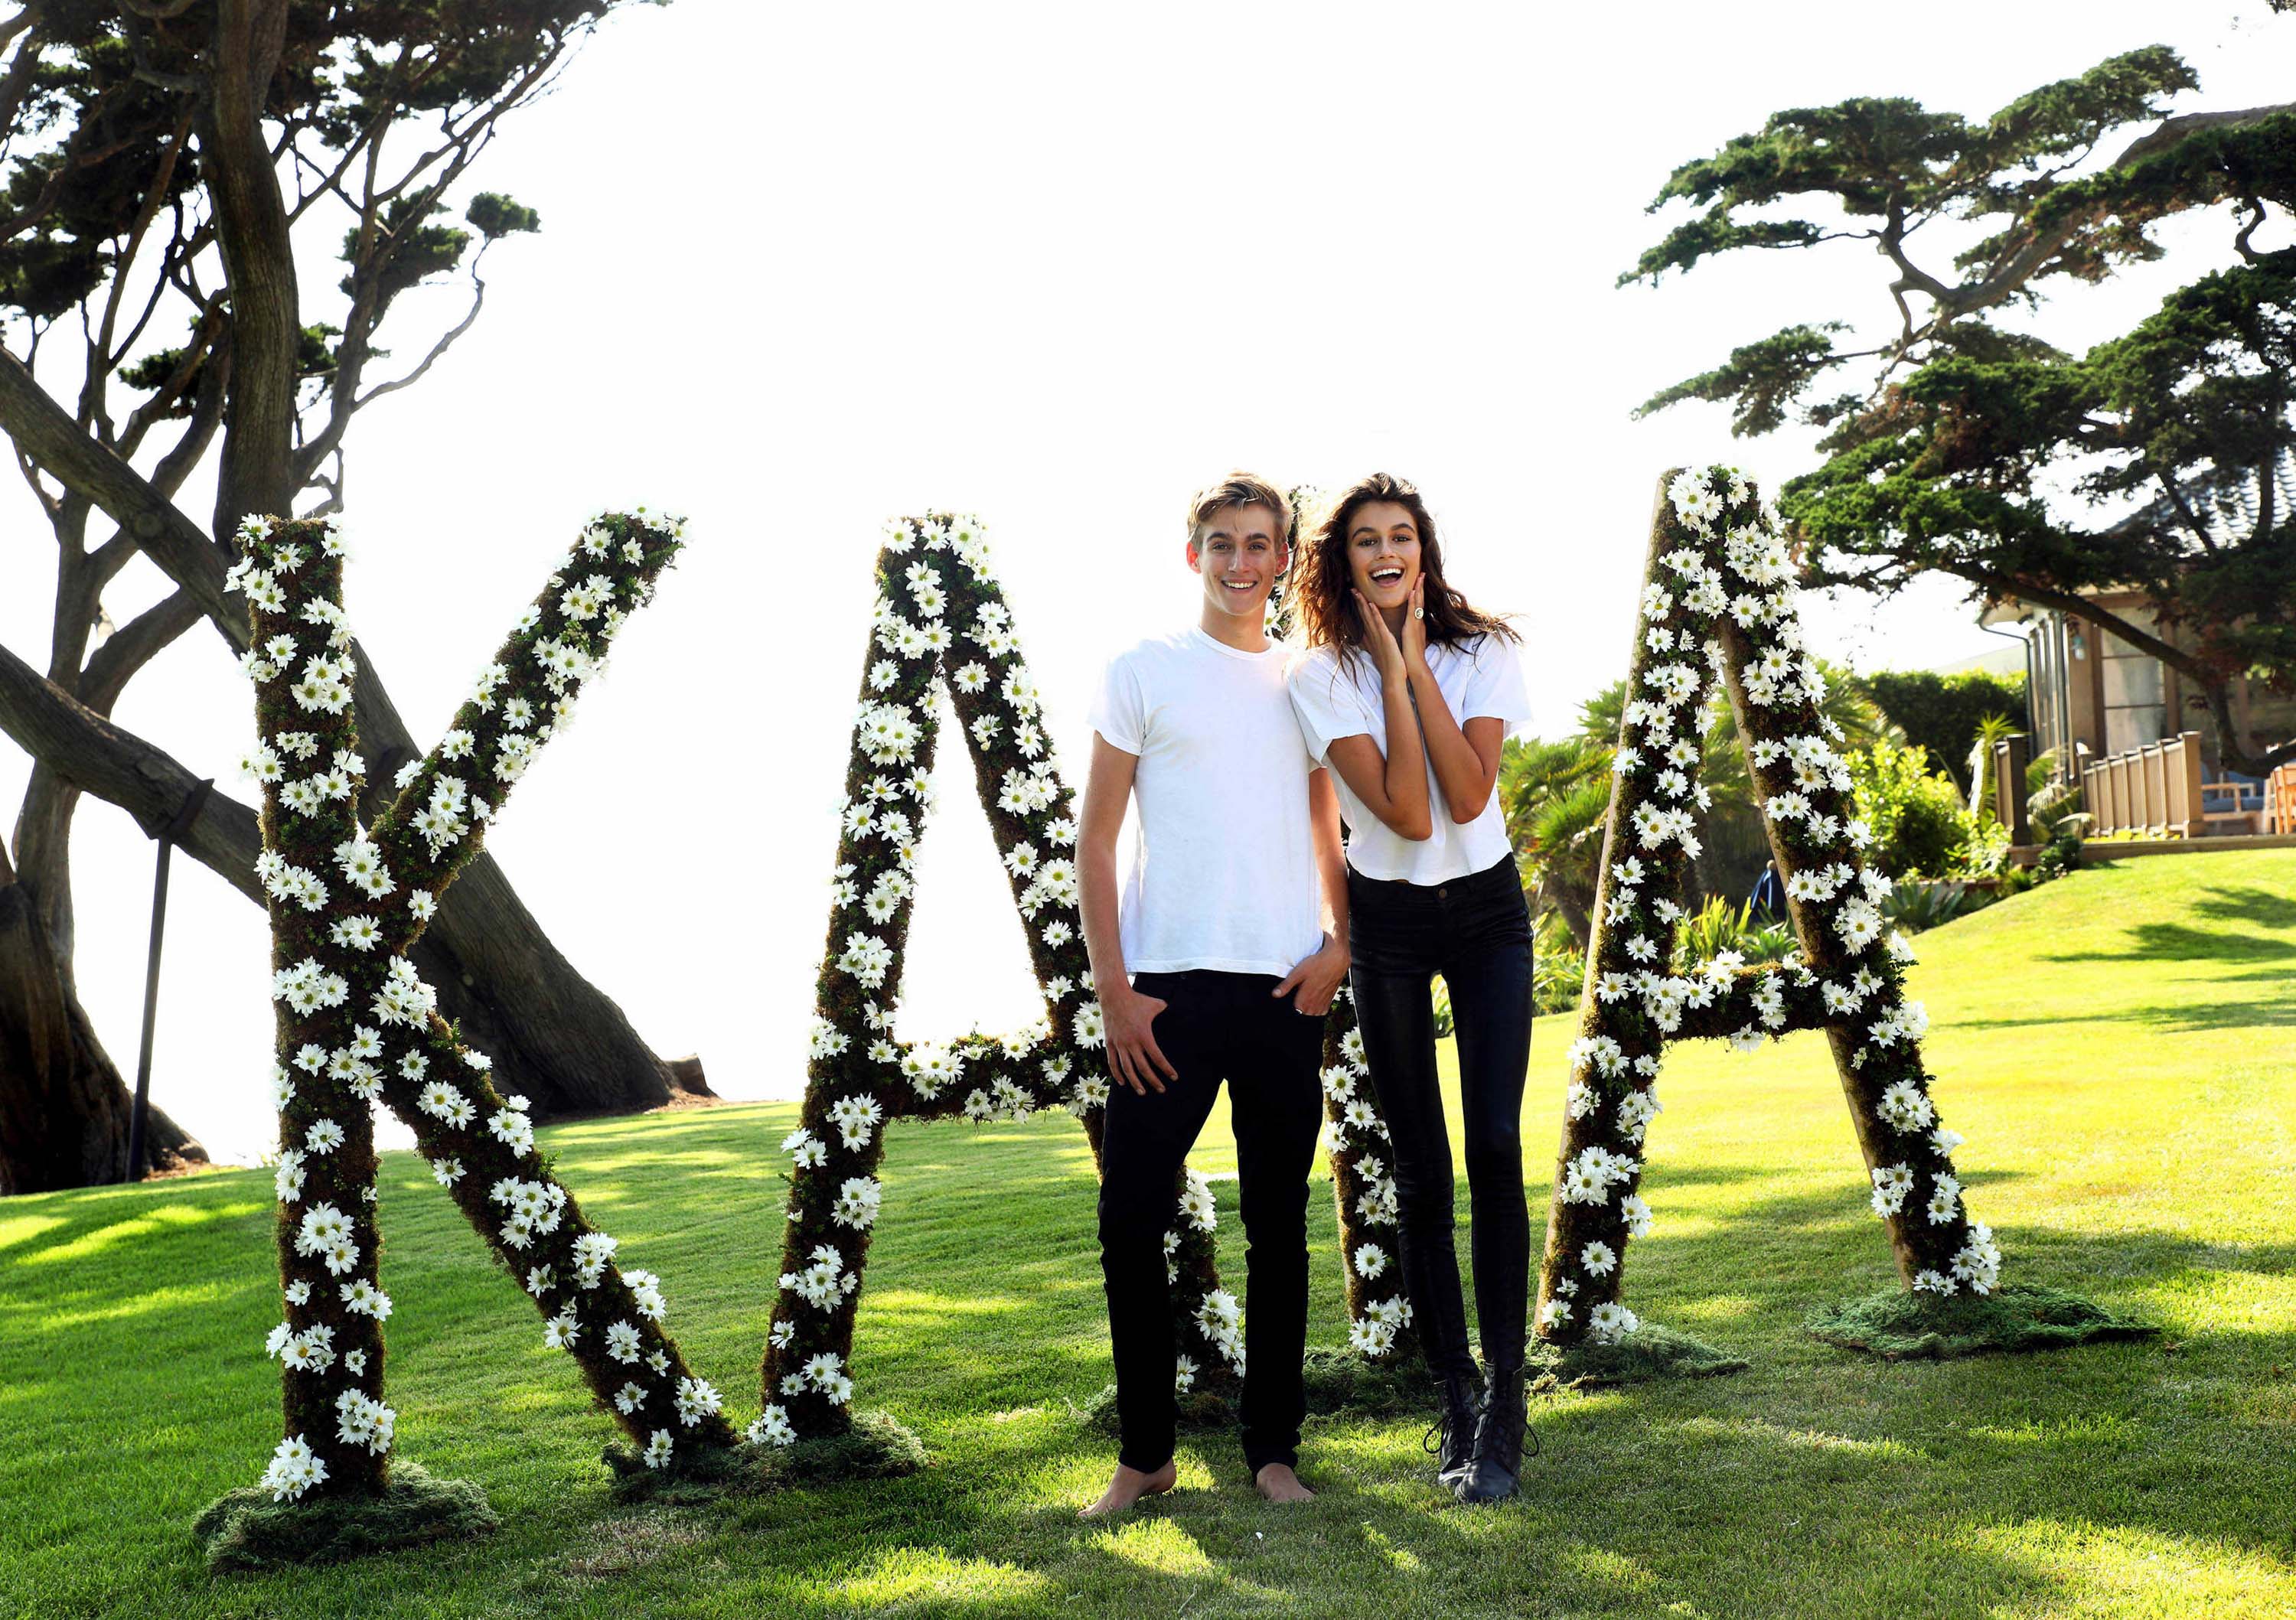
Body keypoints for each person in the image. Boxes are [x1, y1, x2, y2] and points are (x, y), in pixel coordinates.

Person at [1076, 472, 1352, 1519]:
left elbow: (1336, 824)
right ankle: (1146, 1454)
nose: (1242, 563)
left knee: (1278, 1225)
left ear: (1285, 559)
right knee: (1129, 1214)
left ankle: (1273, 1450)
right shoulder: (1144, 671)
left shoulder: (1309, 680)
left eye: (1261, 544)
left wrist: (1342, 945)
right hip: (1168, 995)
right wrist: (1114, 987)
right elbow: (1096, 835)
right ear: (1192, 553)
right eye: (1223, 543)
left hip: (1286, 986)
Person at [1283, 471, 1536, 1504]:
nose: (1384, 553)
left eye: (1401, 536)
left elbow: (1469, 798)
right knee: (1420, 1174)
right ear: (1342, 564)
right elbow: (1405, 817)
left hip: (1486, 914)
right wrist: (1389, 672)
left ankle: (1512, 1406)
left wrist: (1418, 666)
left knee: (1496, 1148)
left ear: (1423, 551)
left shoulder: (1488, 653)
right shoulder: (1321, 677)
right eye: (1363, 542)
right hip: (1386, 922)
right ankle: (1457, 1399)